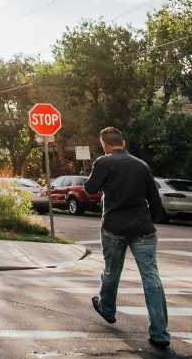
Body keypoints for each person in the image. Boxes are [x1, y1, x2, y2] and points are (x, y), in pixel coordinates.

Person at [85, 127, 170, 349]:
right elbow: (154, 200)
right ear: (123, 141)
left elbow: (90, 187)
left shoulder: (103, 162)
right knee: (151, 277)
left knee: (112, 271)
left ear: (104, 143)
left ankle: (107, 309)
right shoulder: (142, 165)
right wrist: (150, 221)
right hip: (143, 227)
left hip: (114, 227)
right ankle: (159, 333)